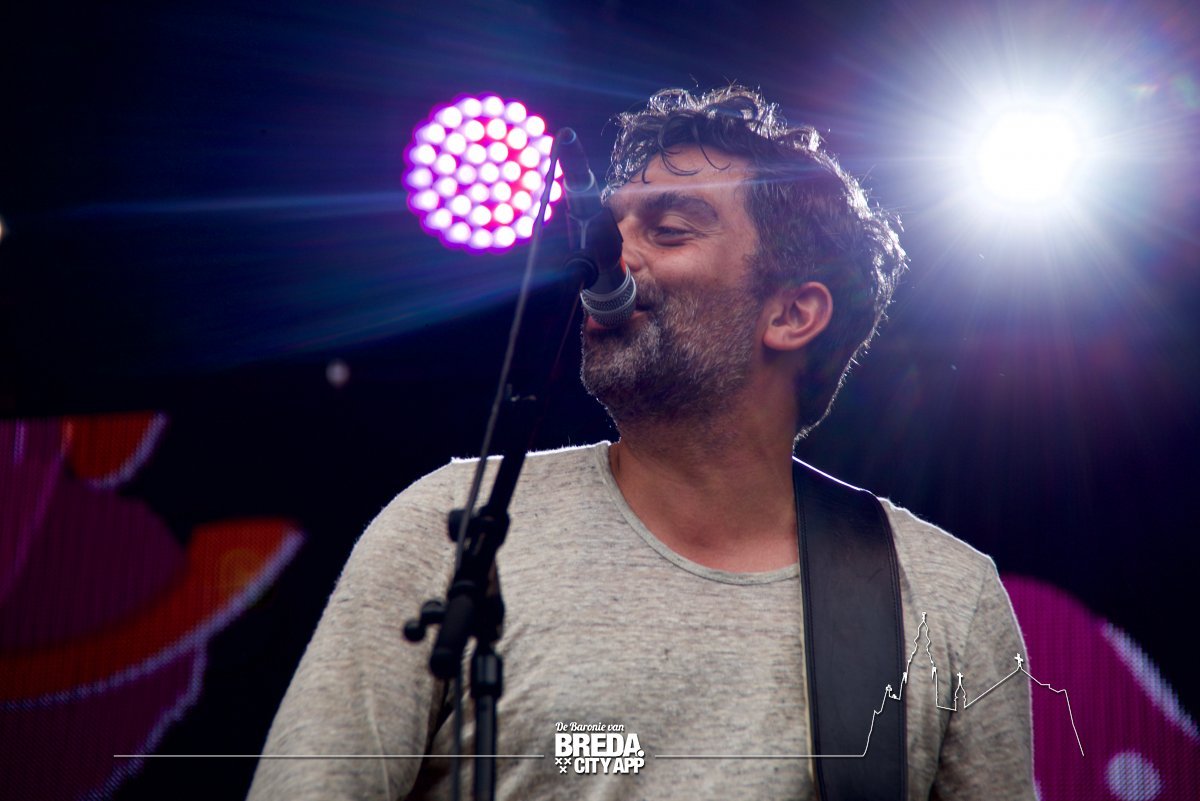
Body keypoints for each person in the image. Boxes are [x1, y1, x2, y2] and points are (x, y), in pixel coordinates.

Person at [248, 86, 1034, 800]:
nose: (608, 255)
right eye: (613, 225)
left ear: (793, 314)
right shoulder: (455, 524)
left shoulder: (943, 597)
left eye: (668, 230)